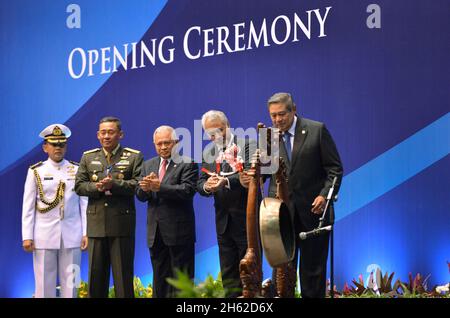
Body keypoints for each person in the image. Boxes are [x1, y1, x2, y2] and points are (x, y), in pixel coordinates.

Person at [254, 92, 343, 298]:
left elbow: (334, 170)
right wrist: (256, 175)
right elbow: (265, 173)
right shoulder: (268, 137)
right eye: (273, 116)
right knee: (281, 277)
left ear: (294, 109)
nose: (277, 120)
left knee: (312, 276)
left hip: (313, 214)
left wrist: (324, 196)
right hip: (279, 217)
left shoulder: (316, 130)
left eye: (281, 114)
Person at [75, 116, 143, 298]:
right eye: (103, 132)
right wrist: (96, 187)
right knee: (96, 279)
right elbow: (79, 186)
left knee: (123, 279)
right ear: (98, 135)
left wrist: (115, 184)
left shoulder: (133, 156)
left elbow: (138, 184)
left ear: (120, 134)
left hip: (121, 224)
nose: (106, 136)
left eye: (111, 132)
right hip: (96, 225)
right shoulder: (88, 157)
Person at [22, 124, 88, 298]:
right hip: (43, 235)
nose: (58, 148)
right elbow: (28, 206)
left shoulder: (77, 169)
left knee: (72, 286)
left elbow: (84, 203)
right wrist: (27, 235)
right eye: (53, 144)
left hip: (72, 234)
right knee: (44, 286)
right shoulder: (36, 171)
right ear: (45, 147)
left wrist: (85, 232)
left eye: (61, 144)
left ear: (66, 146)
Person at [136, 126, 198, 298]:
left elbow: (187, 191)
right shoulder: (148, 165)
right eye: (159, 144)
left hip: (179, 232)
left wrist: (159, 187)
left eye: (167, 143)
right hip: (155, 234)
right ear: (154, 144)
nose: (163, 147)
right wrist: (146, 188)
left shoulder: (188, 163)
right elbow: (140, 196)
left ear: (176, 143)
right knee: (159, 279)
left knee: (182, 281)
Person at [197, 110, 254, 297]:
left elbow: (251, 174)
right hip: (223, 220)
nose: (217, 136)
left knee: (249, 274)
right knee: (229, 275)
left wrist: (226, 181)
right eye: (211, 134)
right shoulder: (209, 152)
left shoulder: (247, 144)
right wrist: (206, 186)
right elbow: (199, 181)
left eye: (220, 130)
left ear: (228, 125)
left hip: (246, 218)